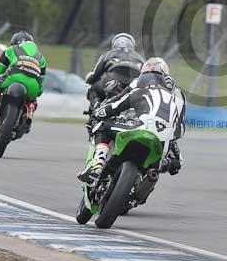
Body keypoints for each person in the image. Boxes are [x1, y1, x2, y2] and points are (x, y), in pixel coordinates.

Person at [76, 57, 186, 186]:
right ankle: (146, 183)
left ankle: (97, 164)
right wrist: (175, 156)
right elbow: (180, 126)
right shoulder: (178, 94)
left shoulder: (139, 87)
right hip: (163, 140)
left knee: (102, 126)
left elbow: (117, 103)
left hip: (138, 127)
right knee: (172, 163)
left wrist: (99, 111)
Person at [0, 32, 47, 128]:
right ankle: (29, 109)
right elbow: (41, 87)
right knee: (33, 96)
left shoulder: (10, 49)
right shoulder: (41, 58)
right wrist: (36, 93)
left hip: (14, 76)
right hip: (33, 85)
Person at [85, 33, 144, 112]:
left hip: (113, 79)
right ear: (132, 45)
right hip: (134, 83)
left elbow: (95, 75)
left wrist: (89, 80)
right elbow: (146, 75)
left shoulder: (108, 54)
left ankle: (96, 107)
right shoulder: (140, 58)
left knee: (93, 88)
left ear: (114, 44)